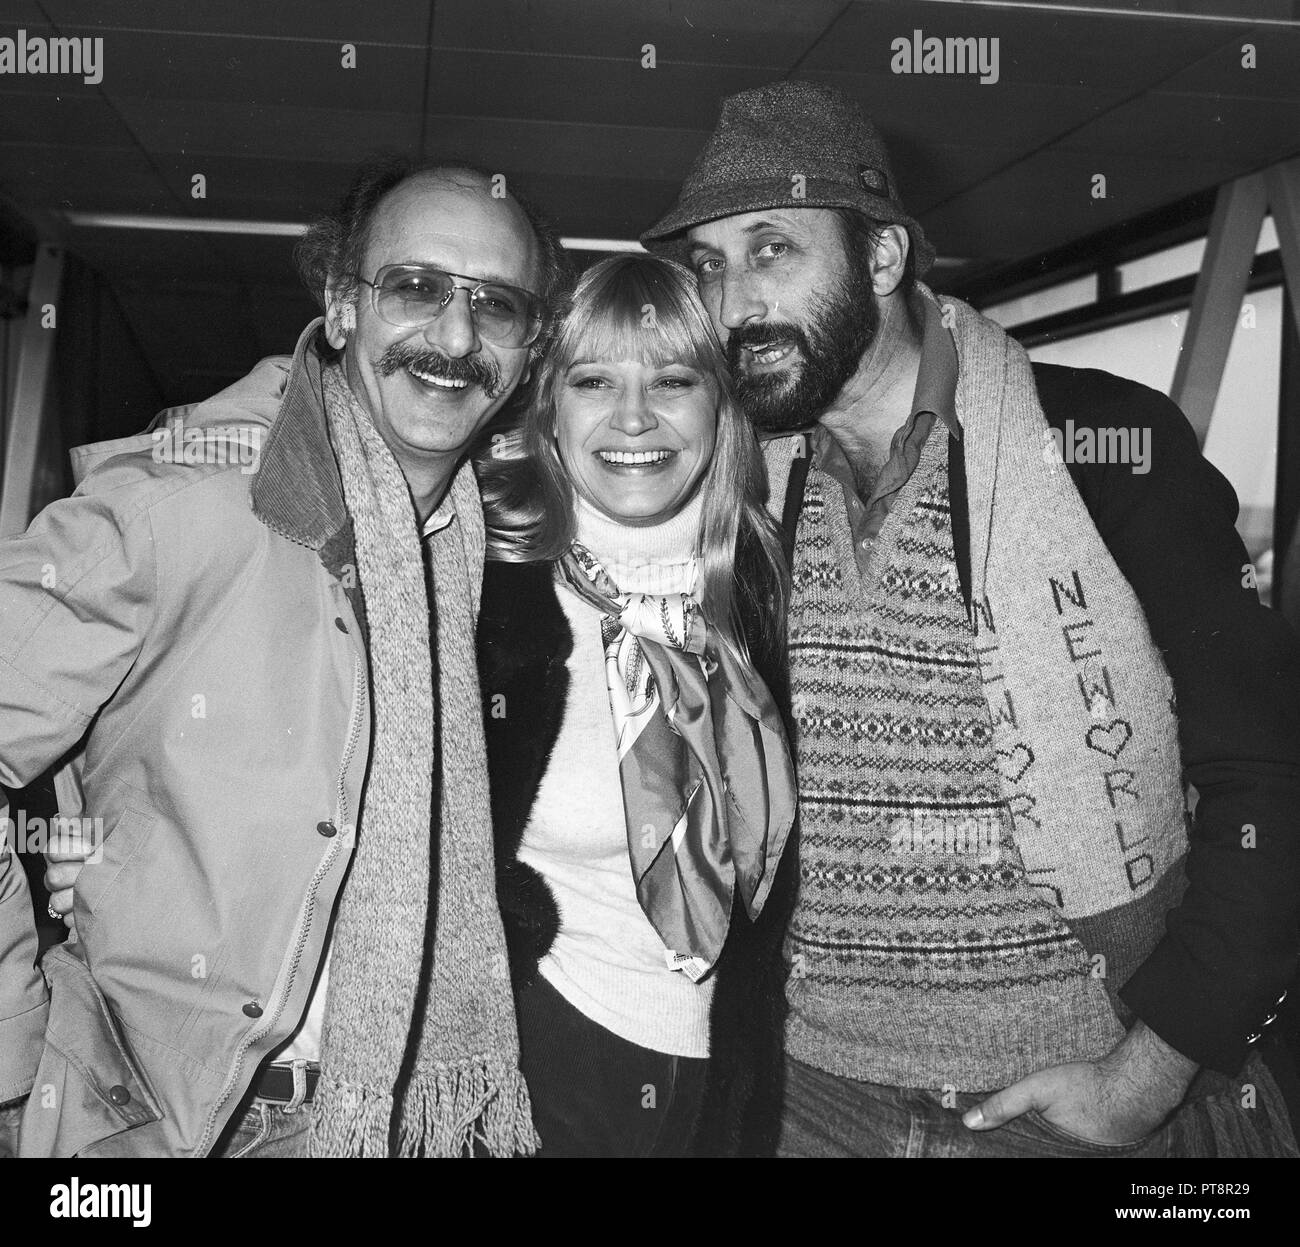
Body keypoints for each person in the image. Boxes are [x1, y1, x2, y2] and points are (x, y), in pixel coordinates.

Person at [641, 81, 1300, 1158]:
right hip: (811, 1094)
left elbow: (1268, 777)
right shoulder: (733, 496)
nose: (731, 302)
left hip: (1077, 1094)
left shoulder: (1095, 449)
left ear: (884, 258)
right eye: (708, 265)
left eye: (771, 251)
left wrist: (1147, 1077)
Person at [2, 156, 569, 1157]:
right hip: (168, 1119)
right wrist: (14, 1061)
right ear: (345, 306)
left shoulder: (463, 552)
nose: (453, 336)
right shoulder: (191, 503)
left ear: (526, 351)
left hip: (376, 1119)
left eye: (495, 304)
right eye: (416, 286)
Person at [475, 253, 798, 1156]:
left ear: (720, 404)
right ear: (546, 403)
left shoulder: (760, 581)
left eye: (672, 379)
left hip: (724, 1064)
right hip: (544, 1050)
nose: (633, 417)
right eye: (592, 380)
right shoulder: (482, 581)